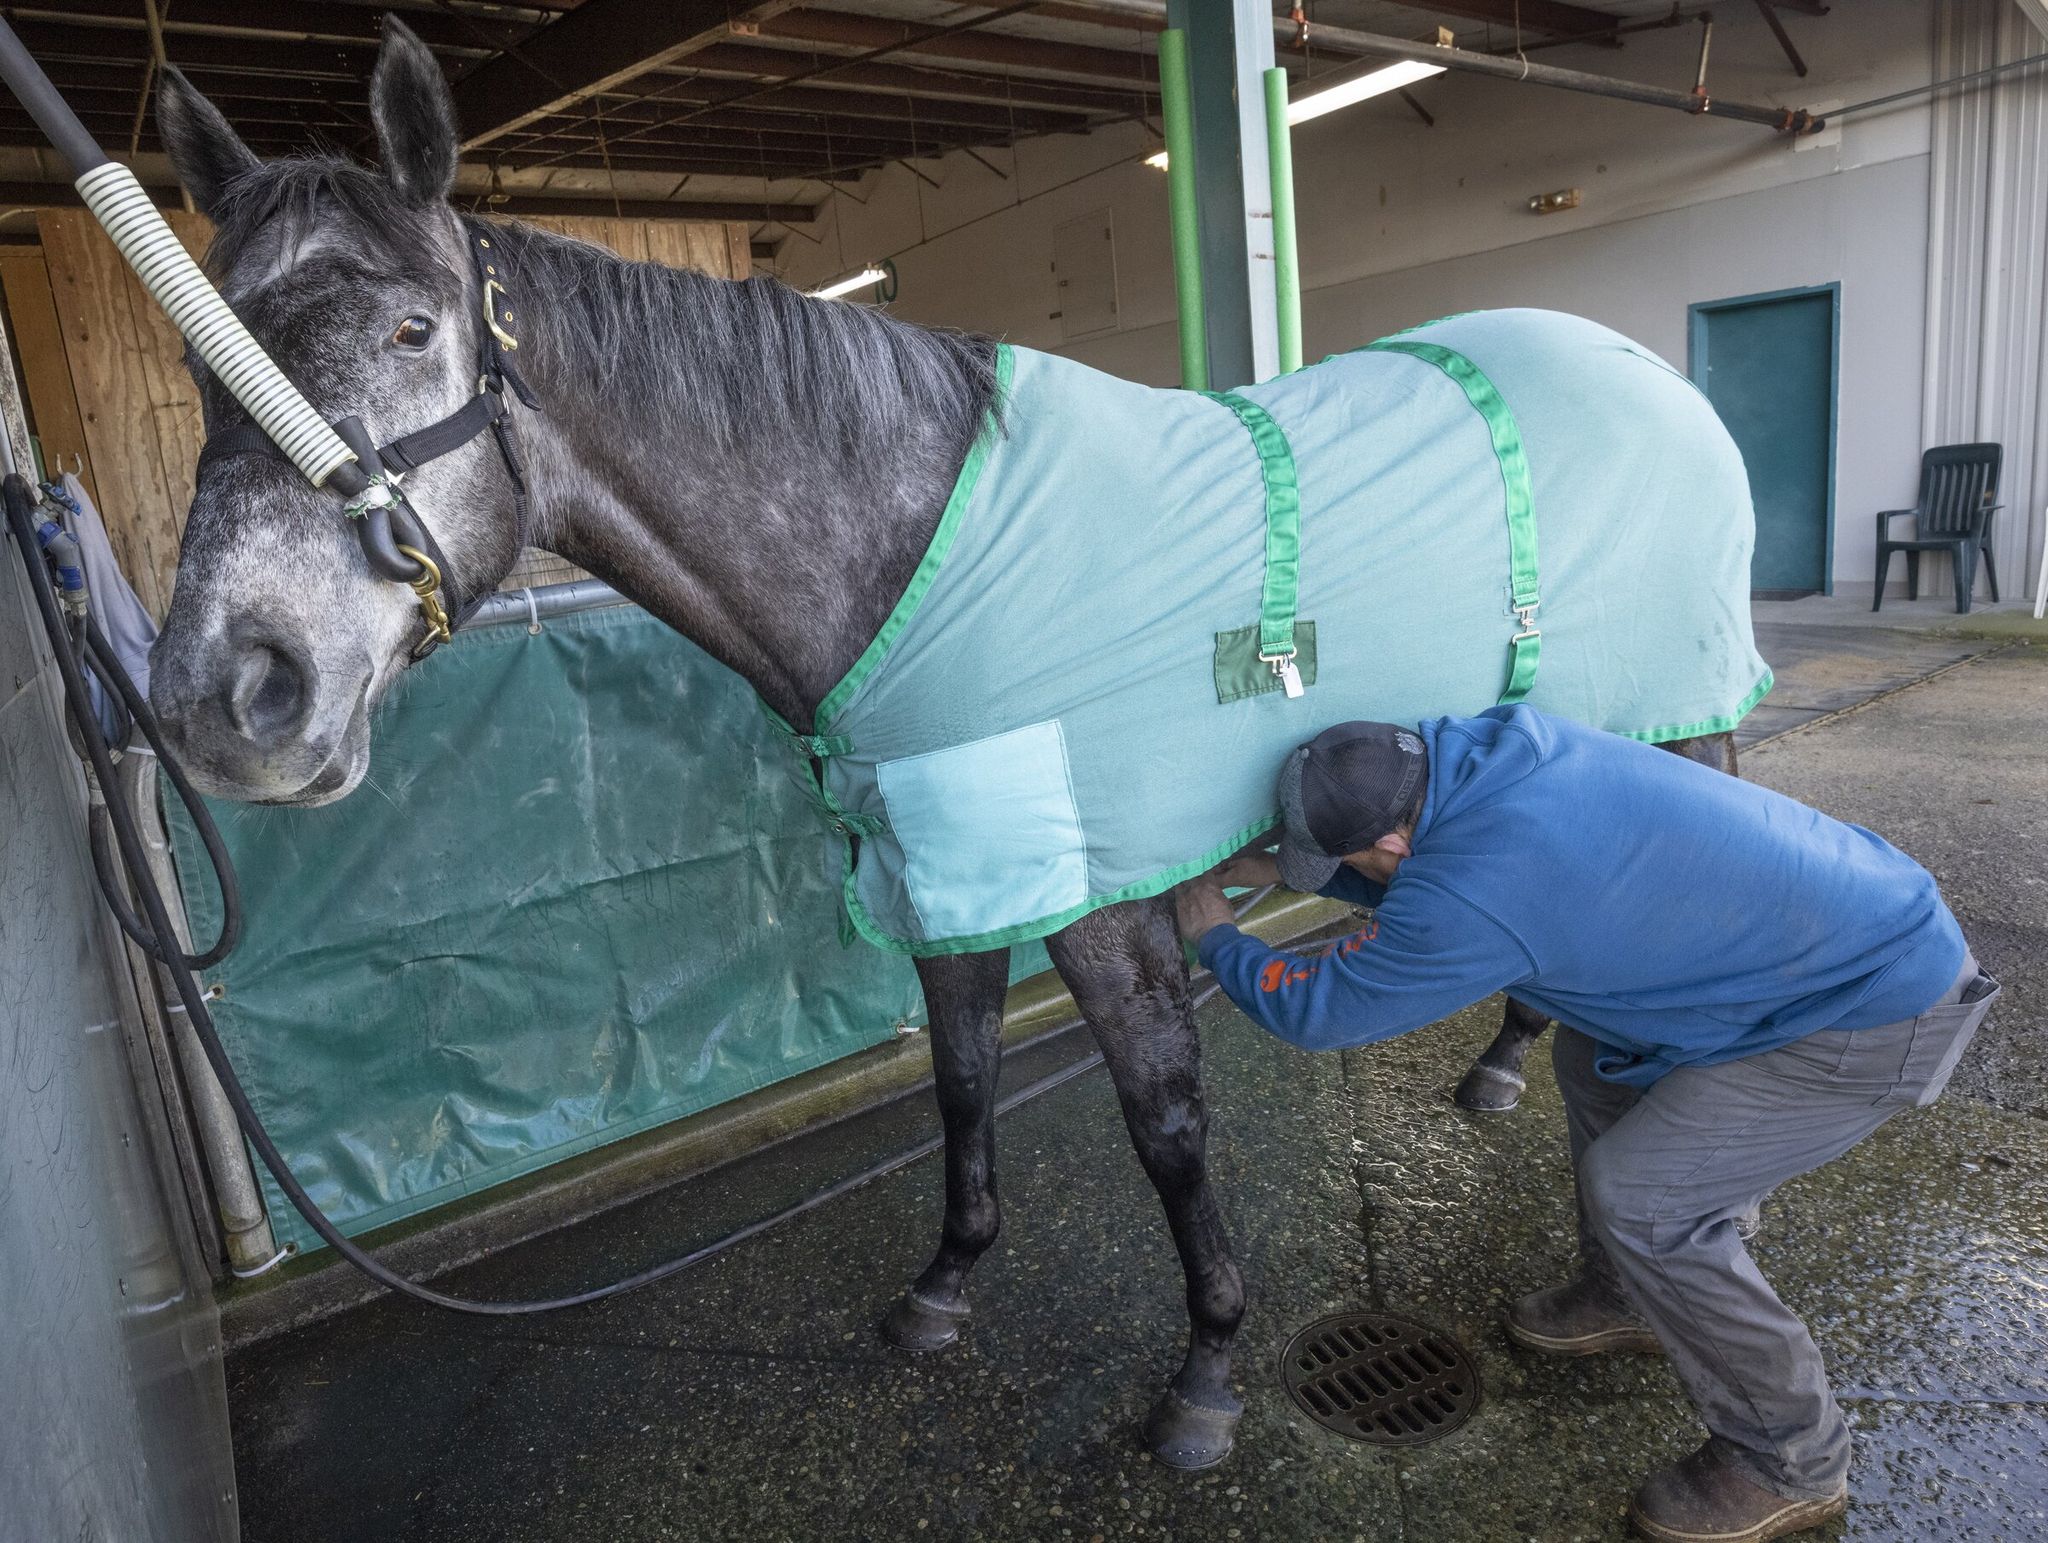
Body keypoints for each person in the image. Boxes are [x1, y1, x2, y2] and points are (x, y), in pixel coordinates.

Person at [1173, 706, 1998, 1543]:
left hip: (1875, 1011)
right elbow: (1427, 874)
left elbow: (1320, 1009)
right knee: (1589, 1053)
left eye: (1343, 855)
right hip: (1834, 926)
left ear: (1393, 843)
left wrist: (1217, 934)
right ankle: (1629, 1293)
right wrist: (1290, 865)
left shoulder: (1486, 886)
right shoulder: (1488, 747)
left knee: (1646, 1198)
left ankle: (1793, 1455)